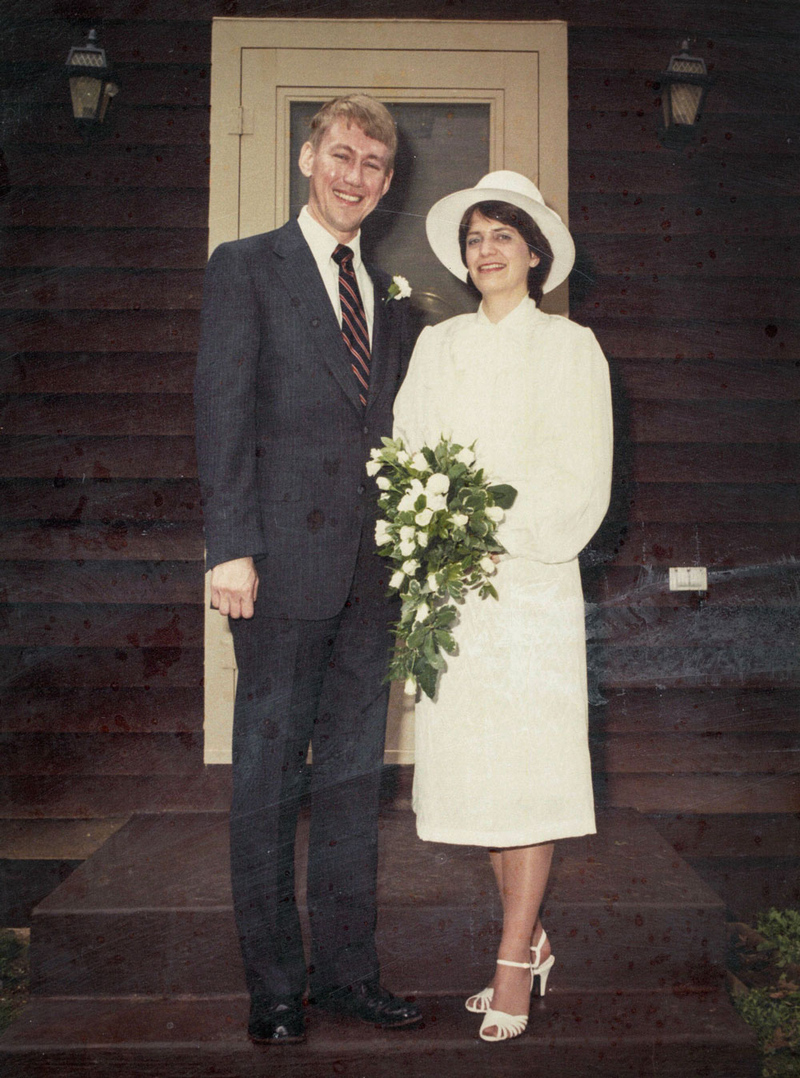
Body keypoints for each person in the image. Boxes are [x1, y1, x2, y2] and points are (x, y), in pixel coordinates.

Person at [194, 94, 421, 1046]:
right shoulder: (248, 268)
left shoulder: (393, 299)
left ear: (385, 182)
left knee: (351, 782)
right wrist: (231, 546)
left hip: (372, 581)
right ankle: (276, 986)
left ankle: (349, 974)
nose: (355, 175)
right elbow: (222, 414)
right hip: (279, 570)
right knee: (270, 781)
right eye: (342, 154)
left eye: (373, 163)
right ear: (305, 158)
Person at [392, 171, 613, 1042]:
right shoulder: (438, 346)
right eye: (476, 237)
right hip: (454, 587)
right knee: (483, 774)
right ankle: (536, 934)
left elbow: (580, 476)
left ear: (534, 253)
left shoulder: (571, 348)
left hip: (527, 583)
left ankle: (513, 957)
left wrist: (498, 529)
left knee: (527, 768)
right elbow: (409, 448)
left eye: (503, 236)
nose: (487, 251)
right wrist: (436, 529)